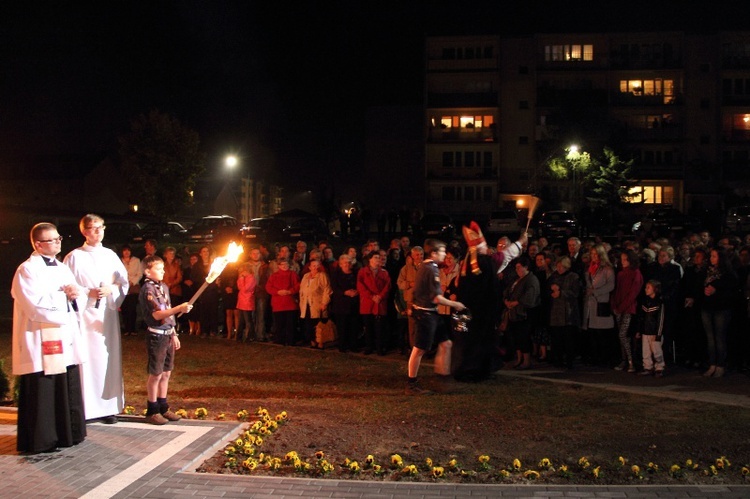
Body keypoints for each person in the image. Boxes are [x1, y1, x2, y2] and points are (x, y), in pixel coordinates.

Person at [12, 222, 87, 453]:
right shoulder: (27, 269)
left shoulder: (63, 267)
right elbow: (34, 305)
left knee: (65, 381)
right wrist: (65, 299)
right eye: (52, 240)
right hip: (40, 338)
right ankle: (43, 438)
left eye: (59, 238)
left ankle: (67, 434)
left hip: (63, 337)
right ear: (38, 244)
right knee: (44, 387)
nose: (58, 242)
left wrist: (76, 296)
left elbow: (78, 295)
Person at [64, 214, 128, 424]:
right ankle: (86, 407)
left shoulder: (110, 255)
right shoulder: (74, 257)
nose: (97, 231)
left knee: (107, 360)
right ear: (84, 231)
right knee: (88, 360)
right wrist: (87, 292)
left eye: (100, 227)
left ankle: (108, 407)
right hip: (84, 316)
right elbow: (67, 286)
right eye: (92, 228)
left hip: (106, 317)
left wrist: (112, 289)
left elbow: (123, 282)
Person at [406, 239, 466, 395]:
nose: (444, 254)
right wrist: (456, 304)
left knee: (446, 343)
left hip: (431, 312)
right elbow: (436, 298)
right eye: (441, 251)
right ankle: (412, 384)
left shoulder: (427, 267)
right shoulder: (430, 270)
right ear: (433, 253)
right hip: (426, 313)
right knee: (419, 350)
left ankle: (443, 378)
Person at [139, 255, 193, 425]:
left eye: (163, 268)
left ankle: (163, 406)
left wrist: (174, 333)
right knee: (155, 373)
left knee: (166, 372)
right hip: (156, 335)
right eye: (159, 269)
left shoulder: (163, 287)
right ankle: (152, 409)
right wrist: (179, 308)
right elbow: (157, 314)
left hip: (167, 334)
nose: (163, 271)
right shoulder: (148, 289)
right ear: (148, 271)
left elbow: (168, 311)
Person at [701, 248, 739, 378]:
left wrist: (716, 291)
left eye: (714, 256)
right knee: (710, 338)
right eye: (711, 256)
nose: (711, 259)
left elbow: (732, 292)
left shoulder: (728, 274)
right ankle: (712, 363)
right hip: (707, 308)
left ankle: (721, 365)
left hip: (721, 309)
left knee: (720, 337)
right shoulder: (707, 272)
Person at [503, 255, 541, 370]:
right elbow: (507, 291)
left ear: (526, 267)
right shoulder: (516, 279)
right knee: (516, 337)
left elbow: (530, 297)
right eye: (516, 267)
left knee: (523, 337)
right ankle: (519, 359)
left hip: (524, 314)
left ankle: (527, 361)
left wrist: (516, 302)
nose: (517, 270)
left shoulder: (531, 279)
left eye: (519, 267)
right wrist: (506, 301)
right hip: (513, 313)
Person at [581, 244, 616, 366]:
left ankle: (605, 358)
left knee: (602, 334)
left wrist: (595, 292)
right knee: (592, 333)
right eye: (592, 254)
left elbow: (611, 285)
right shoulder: (589, 269)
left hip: (601, 302)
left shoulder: (607, 269)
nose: (593, 256)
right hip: (590, 304)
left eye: (596, 254)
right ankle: (594, 357)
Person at [610, 249, 643, 373]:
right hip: (619, 308)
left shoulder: (636, 273)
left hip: (628, 308)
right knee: (622, 337)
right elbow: (617, 290)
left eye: (625, 259)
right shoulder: (620, 274)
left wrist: (621, 307)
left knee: (623, 334)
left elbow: (632, 294)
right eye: (622, 259)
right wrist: (614, 305)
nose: (622, 262)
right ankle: (625, 360)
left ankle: (631, 361)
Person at [548, 256, 581, 369]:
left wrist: (561, 292)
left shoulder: (573, 277)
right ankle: (558, 360)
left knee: (568, 339)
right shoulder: (553, 276)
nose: (559, 268)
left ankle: (569, 361)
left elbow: (575, 293)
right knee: (557, 338)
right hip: (555, 312)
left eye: (562, 266)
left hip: (568, 313)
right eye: (558, 266)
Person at [357, 251, 391, 355]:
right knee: (368, 326)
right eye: (376, 257)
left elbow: (388, 286)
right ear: (370, 259)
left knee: (379, 327)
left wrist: (380, 296)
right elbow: (360, 286)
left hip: (379, 303)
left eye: (379, 257)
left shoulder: (384, 272)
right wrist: (371, 296)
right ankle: (369, 347)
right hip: (368, 302)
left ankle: (379, 347)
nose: (378, 259)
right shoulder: (363, 271)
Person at [265, 259, 300, 346]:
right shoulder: (274, 276)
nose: (284, 266)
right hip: (278, 304)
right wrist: (277, 292)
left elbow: (298, 285)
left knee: (290, 324)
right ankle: (280, 340)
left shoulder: (293, 274)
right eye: (282, 264)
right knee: (279, 324)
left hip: (290, 303)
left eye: (286, 264)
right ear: (279, 266)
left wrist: (290, 291)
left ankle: (291, 341)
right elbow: (268, 287)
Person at [636, 280, 666, 377]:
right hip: (646, 331)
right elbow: (642, 317)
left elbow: (661, 319)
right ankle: (647, 367)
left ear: (655, 289)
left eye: (648, 287)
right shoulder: (645, 302)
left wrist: (658, 333)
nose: (646, 289)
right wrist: (639, 330)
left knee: (657, 351)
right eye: (646, 287)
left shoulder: (659, 303)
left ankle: (659, 367)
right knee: (646, 351)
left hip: (655, 332)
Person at [330, 254, 360, 352]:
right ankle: (342, 346)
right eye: (344, 263)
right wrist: (345, 292)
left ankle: (354, 345)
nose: (347, 264)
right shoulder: (335, 274)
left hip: (354, 303)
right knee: (342, 326)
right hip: (341, 304)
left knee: (354, 326)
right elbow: (334, 288)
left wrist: (356, 291)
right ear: (340, 264)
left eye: (348, 262)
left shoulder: (356, 273)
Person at [299, 259, 332, 348]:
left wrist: (324, 302)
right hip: (306, 304)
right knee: (309, 324)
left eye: (317, 265)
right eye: (313, 265)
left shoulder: (322, 276)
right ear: (309, 267)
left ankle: (321, 342)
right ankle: (312, 341)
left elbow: (327, 290)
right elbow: (301, 290)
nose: (316, 267)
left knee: (318, 324)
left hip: (317, 304)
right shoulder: (306, 276)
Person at [120, 244, 141, 337]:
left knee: (132, 308)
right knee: (124, 308)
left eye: (128, 250)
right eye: (124, 250)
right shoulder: (118, 261)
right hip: (122, 287)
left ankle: (132, 329)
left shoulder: (136, 260)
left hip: (133, 287)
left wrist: (132, 282)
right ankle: (126, 328)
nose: (126, 252)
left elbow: (139, 274)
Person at [236, 262, 257, 342]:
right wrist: (241, 279)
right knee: (241, 320)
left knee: (248, 320)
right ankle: (239, 336)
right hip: (241, 300)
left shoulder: (251, 278)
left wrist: (241, 279)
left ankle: (251, 336)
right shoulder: (242, 278)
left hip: (247, 301)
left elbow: (245, 289)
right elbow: (239, 287)